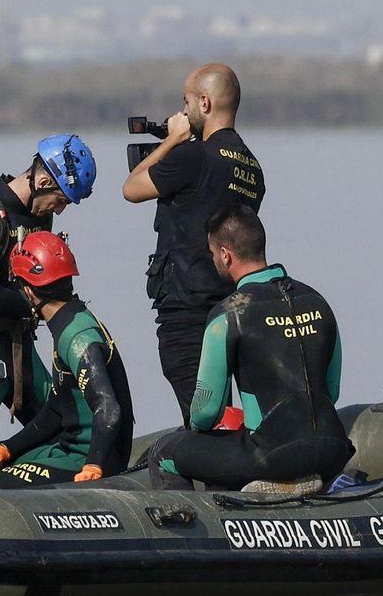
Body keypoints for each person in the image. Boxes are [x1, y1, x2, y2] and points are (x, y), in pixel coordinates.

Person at [149, 204, 352, 494]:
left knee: (164, 453)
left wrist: (196, 427)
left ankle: (195, 536)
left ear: (224, 255)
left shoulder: (228, 314)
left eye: (212, 253)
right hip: (332, 448)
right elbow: (331, 392)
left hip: (272, 456)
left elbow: (206, 411)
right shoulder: (318, 301)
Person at [123, 63, 264, 423]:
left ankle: (207, 472)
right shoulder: (251, 167)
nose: (182, 113)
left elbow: (131, 188)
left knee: (202, 417)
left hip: (185, 310)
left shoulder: (193, 155)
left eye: (185, 103)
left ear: (205, 103)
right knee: (227, 408)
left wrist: (172, 140)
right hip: (231, 305)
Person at [0, 134, 98, 444]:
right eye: (61, 200)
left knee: (61, 428)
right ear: (43, 180)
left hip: (20, 341)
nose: (59, 211)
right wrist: (45, 306)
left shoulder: (40, 215)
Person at [0, 232, 135, 486]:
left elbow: (108, 409)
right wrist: (7, 448)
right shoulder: (70, 321)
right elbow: (56, 409)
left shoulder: (76, 337)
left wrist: (93, 467)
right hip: (68, 448)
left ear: (28, 292)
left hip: (84, 459)